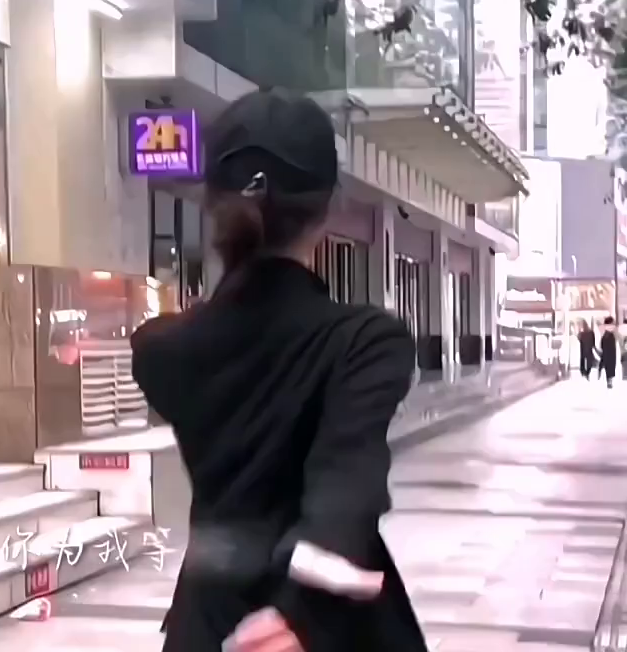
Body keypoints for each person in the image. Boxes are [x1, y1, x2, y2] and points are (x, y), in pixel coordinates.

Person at [129, 90, 427, 652]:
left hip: (205, 622)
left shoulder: (161, 350)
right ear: (329, 208)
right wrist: (306, 601)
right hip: (323, 631)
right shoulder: (365, 342)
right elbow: (348, 472)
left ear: (213, 206)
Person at [598, 316, 619, 388]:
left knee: (607, 365)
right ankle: (609, 381)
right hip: (611, 350)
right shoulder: (612, 330)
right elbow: (617, 337)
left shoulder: (604, 330)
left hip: (606, 349)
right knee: (611, 365)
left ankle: (608, 380)